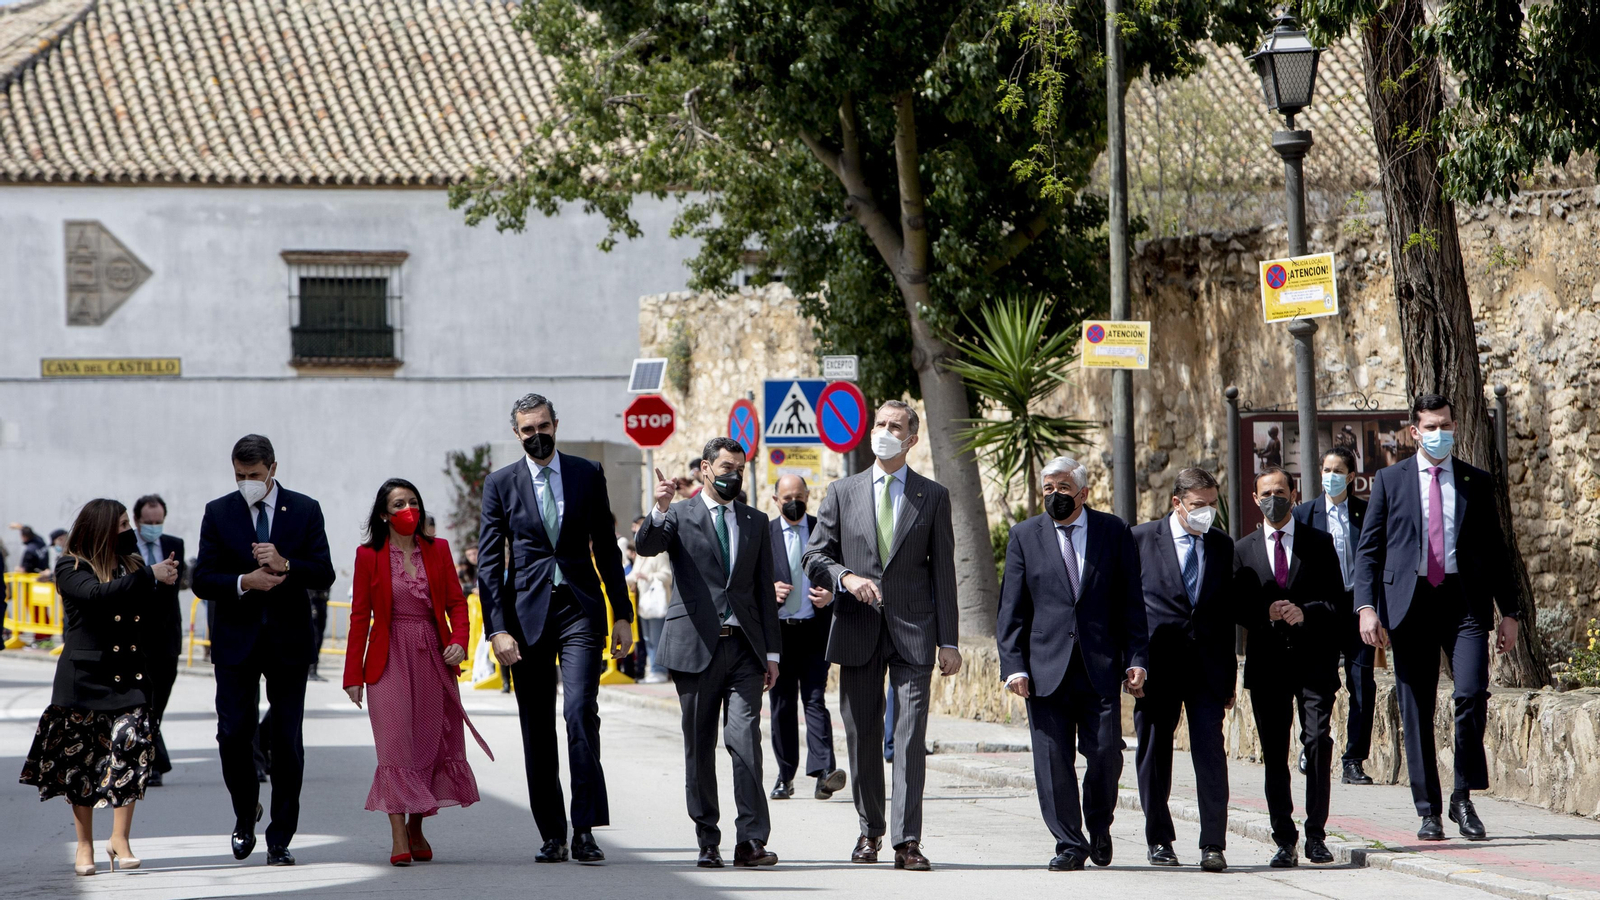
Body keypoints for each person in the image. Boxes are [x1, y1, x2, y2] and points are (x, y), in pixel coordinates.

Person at [803, 400, 962, 872]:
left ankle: (907, 841)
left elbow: (943, 574)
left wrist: (949, 640)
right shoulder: (841, 491)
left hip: (914, 631)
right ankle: (870, 830)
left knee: (910, 737)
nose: (885, 432)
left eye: (896, 426)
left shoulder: (932, 496)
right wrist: (845, 577)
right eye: (880, 424)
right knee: (863, 735)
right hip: (856, 627)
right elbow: (815, 555)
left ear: (912, 439)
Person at [1354, 394, 1521, 842]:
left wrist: (1511, 612)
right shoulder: (1390, 481)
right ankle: (1427, 809)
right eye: (1430, 426)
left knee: (1470, 693)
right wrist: (1366, 607)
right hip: (1409, 604)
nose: (1439, 433)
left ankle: (1462, 797)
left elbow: (1497, 553)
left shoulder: (1475, 481)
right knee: (1417, 707)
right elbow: (1368, 551)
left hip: (1463, 602)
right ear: (1415, 431)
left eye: (1445, 424)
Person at [477, 393, 633, 864]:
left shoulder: (587, 473)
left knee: (581, 712)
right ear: (516, 433)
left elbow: (606, 546)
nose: (537, 435)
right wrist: (495, 629)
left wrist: (622, 613)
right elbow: (488, 563)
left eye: (543, 425)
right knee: (537, 727)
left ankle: (585, 829)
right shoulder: (500, 484)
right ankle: (552, 833)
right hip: (525, 620)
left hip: (580, 609)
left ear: (556, 424)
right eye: (528, 429)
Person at [997, 456, 1148, 871]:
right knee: (1052, 760)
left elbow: (1131, 604)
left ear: (1083, 492)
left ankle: (1099, 824)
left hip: (1099, 666)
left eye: (1063, 488)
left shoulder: (1112, 531)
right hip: (1044, 670)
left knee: (1105, 755)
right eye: (1048, 488)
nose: (1055, 495)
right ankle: (1069, 842)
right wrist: (1014, 666)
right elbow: (1011, 609)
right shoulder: (1024, 536)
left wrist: (1137, 659)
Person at [637, 438, 782, 868]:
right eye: (724, 467)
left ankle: (751, 840)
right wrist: (660, 508)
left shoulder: (756, 521)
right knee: (700, 747)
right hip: (694, 648)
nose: (732, 474)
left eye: (738, 467)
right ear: (705, 468)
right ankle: (707, 838)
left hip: (744, 650)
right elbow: (647, 546)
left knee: (746, 743)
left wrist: (772, 653)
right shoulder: (679, 515)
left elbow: (761, 590)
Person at [191, 434, 335, 867]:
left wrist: (286, 563)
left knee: (287, 741)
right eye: (239, 476)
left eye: (253, 475)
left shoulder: (305, 509)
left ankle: (280, 835)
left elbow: (324, 572)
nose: (246, 483)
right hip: (237, 641)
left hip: (288, 642)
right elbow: (203, 578)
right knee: (234, 733)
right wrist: (243, 581)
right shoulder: (218, 512)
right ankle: (244, 812)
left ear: (273, 468)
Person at [20, 499, 180, 876]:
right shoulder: (71, 565)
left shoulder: (134, 564)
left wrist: (163, 579)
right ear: (103, 528)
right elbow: (95, 597)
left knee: (132, 750)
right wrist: (148, 577)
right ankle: (85, 845)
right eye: (122, 524)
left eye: (129, 523)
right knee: (83, 765)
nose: (129, 530)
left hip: (130, 676)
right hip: (85, 679)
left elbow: (149, 613)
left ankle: (120, 839)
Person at [344, 478, 492, 866]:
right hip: (388, 655)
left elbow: (458, 605)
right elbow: (360, 616)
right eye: (398, 504)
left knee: (427, 742)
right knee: (395, 743)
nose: (407, 509)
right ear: (384, 514)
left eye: (412, 501)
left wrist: (460, 639)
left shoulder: (438, 549)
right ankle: (397, 834)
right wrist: (352, 676)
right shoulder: (367, 555)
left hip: (431, 655)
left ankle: (415, 826)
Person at [1233, 466, 1345, 868]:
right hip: (1267, 668)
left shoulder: (1319, 543)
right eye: (1265, 493)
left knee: (1316, 743)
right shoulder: (1243, 550)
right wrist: (1265, 612)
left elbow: (1337, 604)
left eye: (1280, 491)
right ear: (1254, 498)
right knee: (1275, 754)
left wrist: (1305, 612)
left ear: (1294, 495)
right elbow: (1237, 607)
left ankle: (1316, 834)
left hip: (1313, 663)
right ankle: (1285, 838)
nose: (1272, 499)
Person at [1131, 466, 1235, 872]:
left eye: (1211, 505)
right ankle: (1159, 838)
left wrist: (1228, 675)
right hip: (1157, 667)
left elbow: (1224, 614)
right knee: (1154, 755)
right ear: (1177, 503)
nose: (1206, 512)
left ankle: (1213, 844)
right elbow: (1128, 610)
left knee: (1211, 755)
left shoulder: (1222, 546)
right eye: (1198, 506)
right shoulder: (1140, 540)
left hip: (1207, 670)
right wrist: (1133, 663)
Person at [1292, 446, 1376, 785]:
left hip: (1358, 607)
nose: (1330, 476)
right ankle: (1311, 744)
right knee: (1318, 683)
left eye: (1337, 470)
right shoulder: (1305, 514)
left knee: (1362, 684)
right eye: (1325, 470)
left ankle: (1353, 759)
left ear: (1351, 476)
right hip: (1320, 610)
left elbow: (1375, 560)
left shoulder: (1366, 513)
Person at [767, 474, 845, 802]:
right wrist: (767, 592)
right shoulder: (763, 533)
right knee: (782, 705)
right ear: (775, 500)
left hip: (815, 631)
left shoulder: (822, 531)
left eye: (798, 495)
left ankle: (824, 772)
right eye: (786, 497)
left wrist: (832, 594)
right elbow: (746, 580)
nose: (793, 502)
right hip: (779, 636)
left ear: (808, 496)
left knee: (815, 700)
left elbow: (844, 571)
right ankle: (785, 776)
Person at [132, 495, 186, 787]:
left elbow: (174, 587)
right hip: (137, 636)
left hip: (166, 636)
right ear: (137, 520)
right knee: (143, 701)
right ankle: (151, 762)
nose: (154, 527)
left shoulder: (173, 544)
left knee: (159, 702)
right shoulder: (126, 547)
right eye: (148, 522)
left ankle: (155, 759)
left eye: (158, 522)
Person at [627, 537, 673, 683]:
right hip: (644, 604)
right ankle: (653, 669)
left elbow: (668, 575)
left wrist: (648, 577)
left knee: (657, 638)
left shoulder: (660, 554)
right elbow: (633, 575)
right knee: (648, 639)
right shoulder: (641, 556)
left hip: (657, 603)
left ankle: (660, 671)